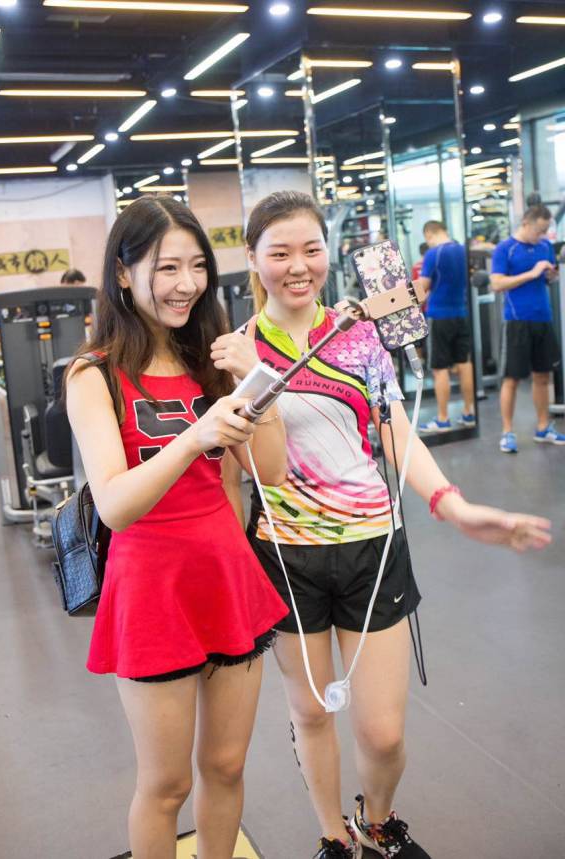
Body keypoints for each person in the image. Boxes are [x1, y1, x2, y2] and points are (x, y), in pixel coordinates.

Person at [211, 191, 551, 859]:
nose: (298, 266)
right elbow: (238, 468)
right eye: (280, 252)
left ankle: (379, 817)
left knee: (383, 733)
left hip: (373, 547)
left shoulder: (358, 333)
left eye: (311, 249)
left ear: (328, 252)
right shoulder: (236, 351)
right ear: (252, 258)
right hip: (285, 556)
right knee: (311, 711)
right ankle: (332, 833)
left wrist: (453, 505)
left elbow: (394, 429)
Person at [65, 196, 289, 859]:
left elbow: (271, 470)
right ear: (123, 272)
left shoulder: (213, 361)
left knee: (226, 766)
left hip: (227, 577)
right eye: (167, 267)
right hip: (151, 590)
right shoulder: (94, 373)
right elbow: (114, 505)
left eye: (197, 266)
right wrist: (194, 437)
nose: (186, 283)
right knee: (166, 786)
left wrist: (258, 381)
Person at [490, 204, 565, 452]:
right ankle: (507, 432)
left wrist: (550, 276)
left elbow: (546, 278)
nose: (542, 235)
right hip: (517, 321)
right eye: (539, 230)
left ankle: (543, 427)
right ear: (525, 223)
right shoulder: (505, 248)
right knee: (511, 379)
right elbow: (496, 284)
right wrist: (532, 274)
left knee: (543, 376)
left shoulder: (544, 247)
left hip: (543, 318)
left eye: (545, 231)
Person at [416, 221, 475, 433]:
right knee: (464, 364)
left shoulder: (433, 253)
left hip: (439, 316)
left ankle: (443, 419)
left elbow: (422, 287)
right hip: (461, 313)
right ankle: (469, 412)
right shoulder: (462, 250)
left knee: (440, 369)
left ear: (429, 235)